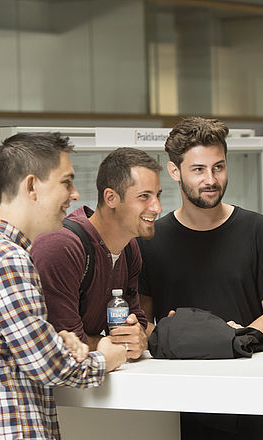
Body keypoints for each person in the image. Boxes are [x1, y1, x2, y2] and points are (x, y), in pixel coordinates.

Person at [0, 132, 126, 440]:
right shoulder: (8, 259)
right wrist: (106, 358)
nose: (75, 194)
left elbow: (3, 349)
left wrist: (56, 341)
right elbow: (48, 368)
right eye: (66, 182)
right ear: (32, 186)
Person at [138, 116, 263, 440]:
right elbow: (143, 319)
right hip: (177, 399)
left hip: (251, 399)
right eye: (198, 170)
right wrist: (188, 340)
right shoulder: (150, 240)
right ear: (174, 171)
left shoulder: (258, 230)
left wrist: (240, 339)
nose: (211, 179)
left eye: (219, 167)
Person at [31, 147, 162, 359]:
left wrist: (137, 336)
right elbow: (65, 343)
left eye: (157, 195)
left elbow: (136, 321)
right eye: (144, 196)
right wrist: (109, 342)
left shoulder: (130, 248)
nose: (157, 207)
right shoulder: (60, 246)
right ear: (110, 198)